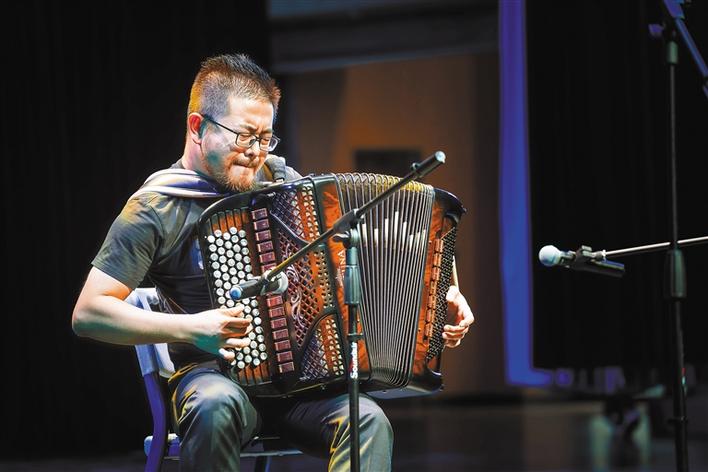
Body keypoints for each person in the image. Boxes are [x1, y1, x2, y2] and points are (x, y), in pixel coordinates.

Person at [72, 53, 474, 471]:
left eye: (266, 138)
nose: (255, 153)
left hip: (301, 382)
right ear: (197, 127)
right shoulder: (155, 208)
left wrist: (443, 295)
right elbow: (89, 312)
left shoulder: (282, 184)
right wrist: (192, 327)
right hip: (214, 377)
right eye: (244, 136)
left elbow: (380, 238)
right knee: (214, 406)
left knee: (367, 420)